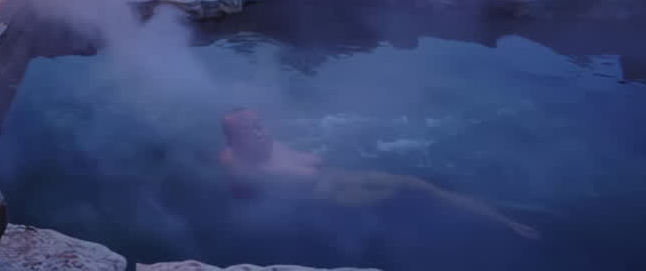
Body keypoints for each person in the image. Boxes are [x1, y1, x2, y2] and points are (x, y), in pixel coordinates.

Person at [218, 107, 540, 240]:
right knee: (409, 192)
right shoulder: (241, 164)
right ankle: (505, 223)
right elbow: (244, 191)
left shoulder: (266, 143)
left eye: (259, 124)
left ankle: (499, 217)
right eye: (249, 130)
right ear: (235, 139)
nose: (260, 132)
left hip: (338, 176)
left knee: (415, 183)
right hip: (330, 197)